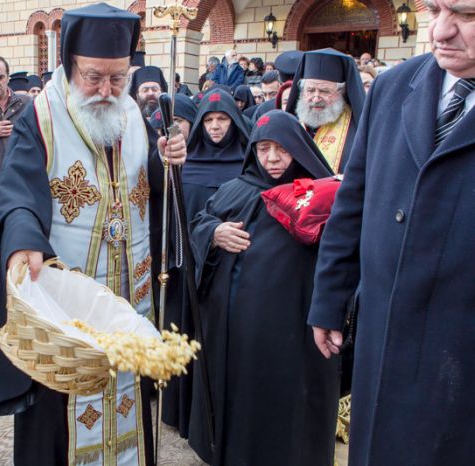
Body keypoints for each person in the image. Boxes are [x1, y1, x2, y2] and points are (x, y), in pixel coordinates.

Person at [0, 3, 188, 465]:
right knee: (62, 410)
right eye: (94, 76)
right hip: (69, 299)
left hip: (126, 290)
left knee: (127, 396)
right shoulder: (41, 115)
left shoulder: (133, 112)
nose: (105, 89)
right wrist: (23, 241)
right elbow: (16, 191)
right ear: (70, 63)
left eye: (117, 77)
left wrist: (165, 161)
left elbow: (143, 187)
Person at [308, 0, 475, 464]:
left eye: (467, 15)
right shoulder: (395, 85)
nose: (441, 30)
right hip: (385, 337)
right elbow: (354, 201)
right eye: (434, 8)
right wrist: (329, 298)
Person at [189, 110, 339, 466]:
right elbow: (201, 220)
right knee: (241, 405)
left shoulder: (323, 193)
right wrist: (213, 233)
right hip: (238, 331)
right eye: (263, 148)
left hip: (298, 327)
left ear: (299, 149)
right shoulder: (235, 189)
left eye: (282, 149)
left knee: (291, 412)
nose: (271, 159)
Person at [163, 90, 249, 439]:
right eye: (209, 120)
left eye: (223, 120)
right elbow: (173, 213)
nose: (215, 127)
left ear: (234, 122)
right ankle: (182, 413)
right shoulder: (187, 162)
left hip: (229, 275)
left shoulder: (248, 162)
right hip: (188, 269)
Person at [285, 48, 365, 173]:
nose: (316, 99)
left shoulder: (358, 128)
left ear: (341, 92)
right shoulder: (291, 122)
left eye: (324, 91)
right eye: (310, 90)